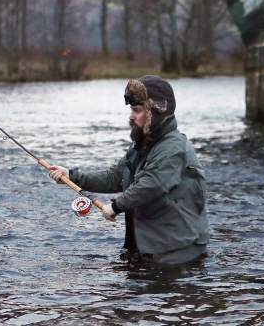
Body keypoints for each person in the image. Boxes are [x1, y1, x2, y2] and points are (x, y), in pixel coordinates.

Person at [49, 75, 209, 265]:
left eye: (137, 110)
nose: (131, 116)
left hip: (176, 254)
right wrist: (72, 176)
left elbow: (151, 184)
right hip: (149, 250)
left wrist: (116, 206)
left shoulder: (173, 148)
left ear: (154, 113)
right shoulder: (143, 145)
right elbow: (115, 177)